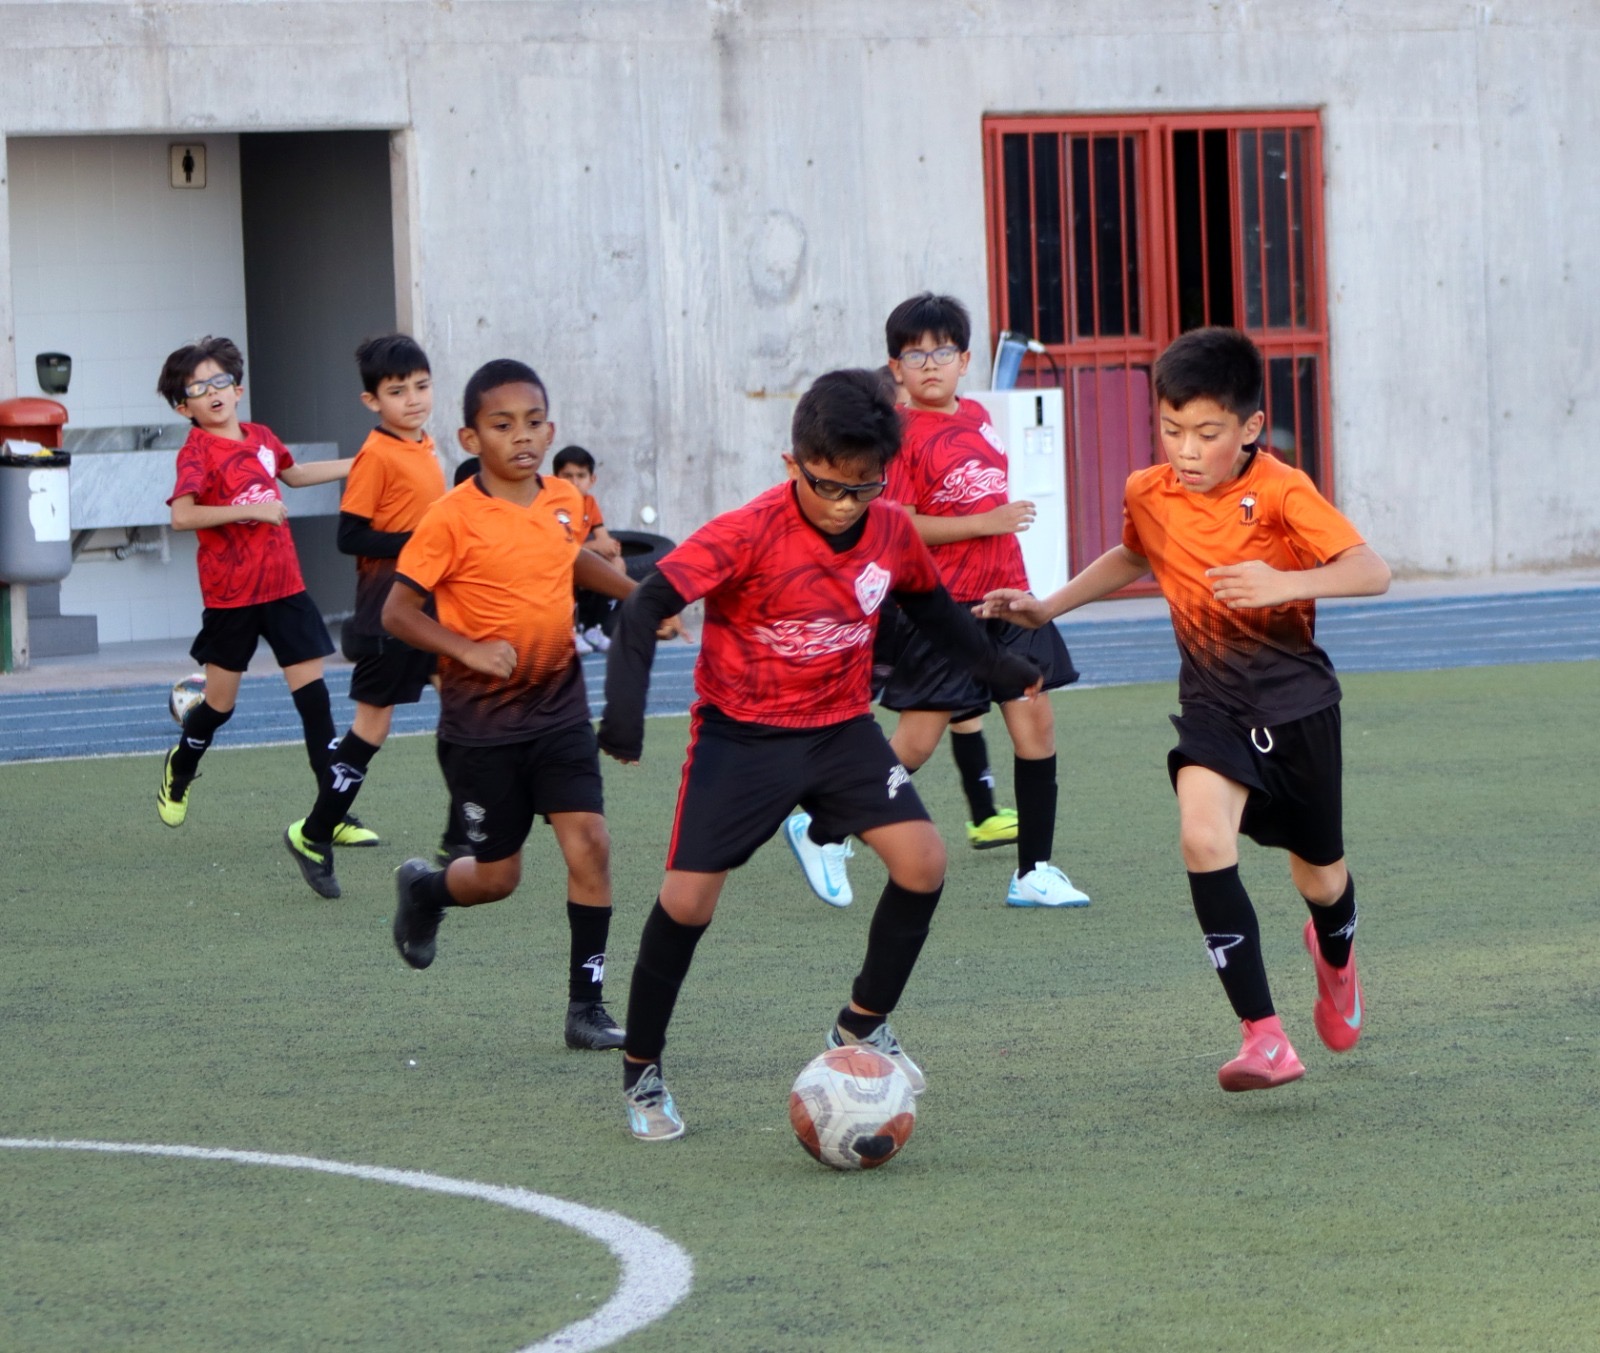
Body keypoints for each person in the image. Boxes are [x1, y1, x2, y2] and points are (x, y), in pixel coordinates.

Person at [599, 368, 1042, 1141]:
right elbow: (644, 607)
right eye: (829, 486)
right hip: (742, 737)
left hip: (842, 729)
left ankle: (861, 1023)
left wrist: (1005, 670)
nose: (845, 505)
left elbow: (934, 612)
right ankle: (641, 1068)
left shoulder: (893, 528)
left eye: (863, 488)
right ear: (792, 463)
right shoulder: (747, 530)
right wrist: (625, 721)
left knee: (924, 861)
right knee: (687, 903)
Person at [983, 326, 1391, 1092]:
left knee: (1323, 880)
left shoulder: (1281, 489)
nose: (1187, 448)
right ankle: (1265, 1035)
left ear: (1249, 430)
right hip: (1212, 707)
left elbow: (1370, 571)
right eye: (1171, 429)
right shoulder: (1149, 490)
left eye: (1207, 433)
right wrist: (1048, 607)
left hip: (1299, 708)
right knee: (1203, 839)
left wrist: (1283, 582)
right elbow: (1136, 553)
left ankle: (1335, 955)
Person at [381, 359, 657, 1051]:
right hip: (481, 730)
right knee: (499, 877)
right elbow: (397, 611)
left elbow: (568, 559)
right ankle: (427, 890)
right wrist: (467, 650)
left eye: (533, 423)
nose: (522, 437)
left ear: (552, 428)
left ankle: (585, 1007)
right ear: (470, 439)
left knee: (590, 843)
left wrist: (642, 595)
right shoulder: (450, 519)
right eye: (502, 426)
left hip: (560, 715)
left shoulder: (564, 499)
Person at [788, 294, 1087, 909]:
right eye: (915, 354)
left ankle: (1034, 872)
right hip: (948, 610)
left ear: (965, 358)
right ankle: (820, 827)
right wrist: (988, 521)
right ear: (894, 368)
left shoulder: (978, 414)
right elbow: (902, 525)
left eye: (943, 351)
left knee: (1037, 728)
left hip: (1010, 600)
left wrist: (1007, 553)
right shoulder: (897, 435)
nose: (930, 364)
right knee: (916, 744)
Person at [156, 336, 354, 829]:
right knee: (219, 705)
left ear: (237, 388)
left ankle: (332, 815)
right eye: (198, 388)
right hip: (231, 597)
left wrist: (361, 463)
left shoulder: (262, 437)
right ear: (185, 407)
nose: (212, 391)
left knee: (315, 701)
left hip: (285, 587)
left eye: (219, 380)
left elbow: (295, 473)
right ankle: (180, 768)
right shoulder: (196, 452)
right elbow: (182, 516)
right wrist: (251, 509)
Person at [281, 334, 449, 898]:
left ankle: (462, 837)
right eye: (397, 391)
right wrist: (420, 540)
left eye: (421, 387)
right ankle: (315, 831)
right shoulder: (375, 455)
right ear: (372, 401)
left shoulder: (426, 444)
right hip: (388, 612)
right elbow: (348, 535)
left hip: (431, 606)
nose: (414, 399)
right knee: (369, 731)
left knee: (467, 705)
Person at [551, 444, 627, 654]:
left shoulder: (590, 503)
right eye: (567, 476)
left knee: (616, 564)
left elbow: (603, 538)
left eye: (581, 476)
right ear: (555, 478)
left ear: (592, 480)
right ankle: (571, 630)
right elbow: (557, 549)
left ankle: (595, 627)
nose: (574, 483)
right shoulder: (551, 504)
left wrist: (611, 548)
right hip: (559, 562)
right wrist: (596, 546)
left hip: (580, 559)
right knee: (568, 566)